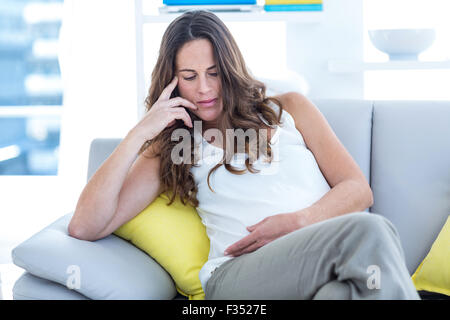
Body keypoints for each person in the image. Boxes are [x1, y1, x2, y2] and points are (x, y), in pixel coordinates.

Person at [68, 10, 420, 300]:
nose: (204, 89)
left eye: (214, 73)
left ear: (230, 69)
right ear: (171, 82)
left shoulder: (290, 108)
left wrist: (297, 222)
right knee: (371, 230)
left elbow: (358, 189)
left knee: (339, 295)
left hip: (318, 260)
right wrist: (141, 132)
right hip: (238, 275)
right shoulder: (176, 145)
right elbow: (86, 225)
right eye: (189, 77)